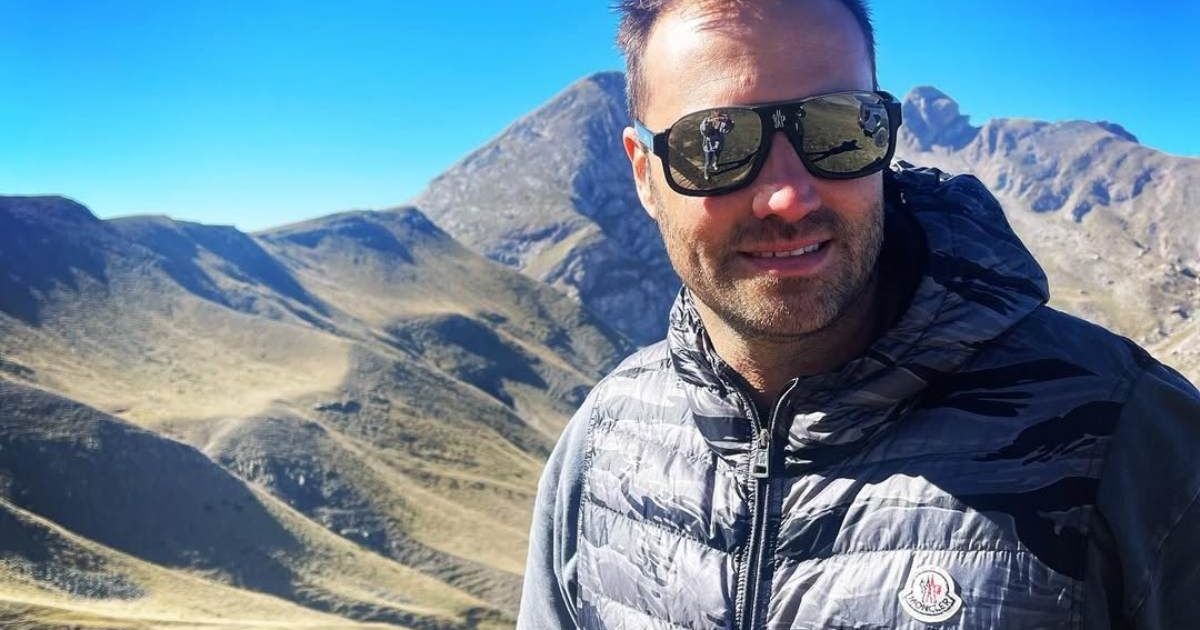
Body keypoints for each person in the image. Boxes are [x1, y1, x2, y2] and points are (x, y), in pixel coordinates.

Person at [517, 0, 1200, 628]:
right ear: (644, 173)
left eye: (839, 128)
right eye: (716, 143)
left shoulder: (1128, 437)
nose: (788, 197)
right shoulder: (602, 444)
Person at [700, 110, 734, 178]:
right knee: (708, 162)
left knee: (717, 157)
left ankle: (715, 164)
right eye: (715, 116)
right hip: (708, 147)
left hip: (719, 145)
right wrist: (708, 122)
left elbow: (727, 130)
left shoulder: (722, 123)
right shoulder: (707, 122)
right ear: (712, 115)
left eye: (719, 116)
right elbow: (703, 131)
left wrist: (728, 121)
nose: (717, 119)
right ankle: (706, 172)